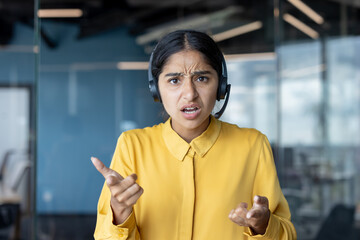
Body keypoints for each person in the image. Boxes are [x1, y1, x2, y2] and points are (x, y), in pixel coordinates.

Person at [91, 29, 297, 240]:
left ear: (220, 86)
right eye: (174, 81)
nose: (189, 94)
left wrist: (263, 226)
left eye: (202, 78)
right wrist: (119, 212)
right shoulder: (133, 146)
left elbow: (287, 235)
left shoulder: (252, 145)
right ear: (156, 89)